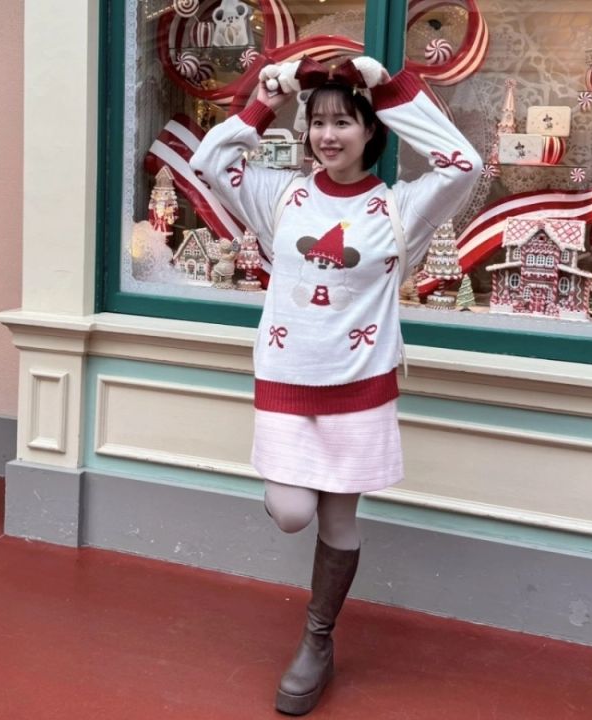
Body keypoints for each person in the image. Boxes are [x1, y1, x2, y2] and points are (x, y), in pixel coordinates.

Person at [190, 55, 482, 715]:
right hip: (288, 381)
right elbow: (210, 161)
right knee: (294, 513)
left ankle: (317, 641)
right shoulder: (282, 196)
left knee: (340, 519)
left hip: (359, 386)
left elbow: (463, 163)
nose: (327, 135)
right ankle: (304, 523)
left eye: (344, 121)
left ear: (370, 129)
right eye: (317, 121)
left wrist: (390, 86)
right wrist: (267, 98)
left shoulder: (401, 207)